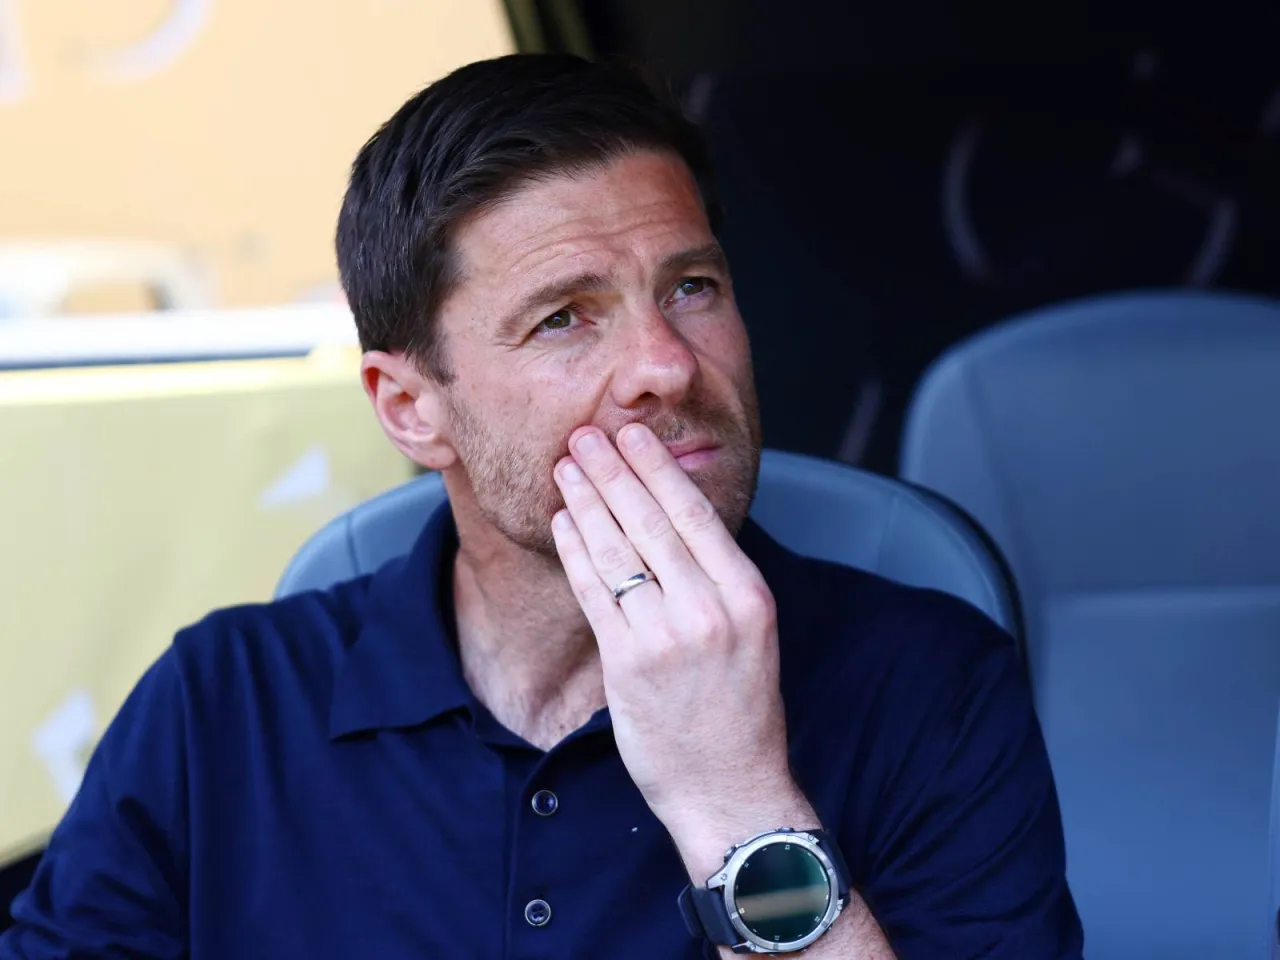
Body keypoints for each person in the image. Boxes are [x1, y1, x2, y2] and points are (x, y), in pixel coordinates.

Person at [0, 53, 1083, 959]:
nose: (666, 364)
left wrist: (735, 801)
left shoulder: (928, 684)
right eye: (564, 317)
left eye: (692, 288)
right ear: (412, 409)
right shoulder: (219, 705)